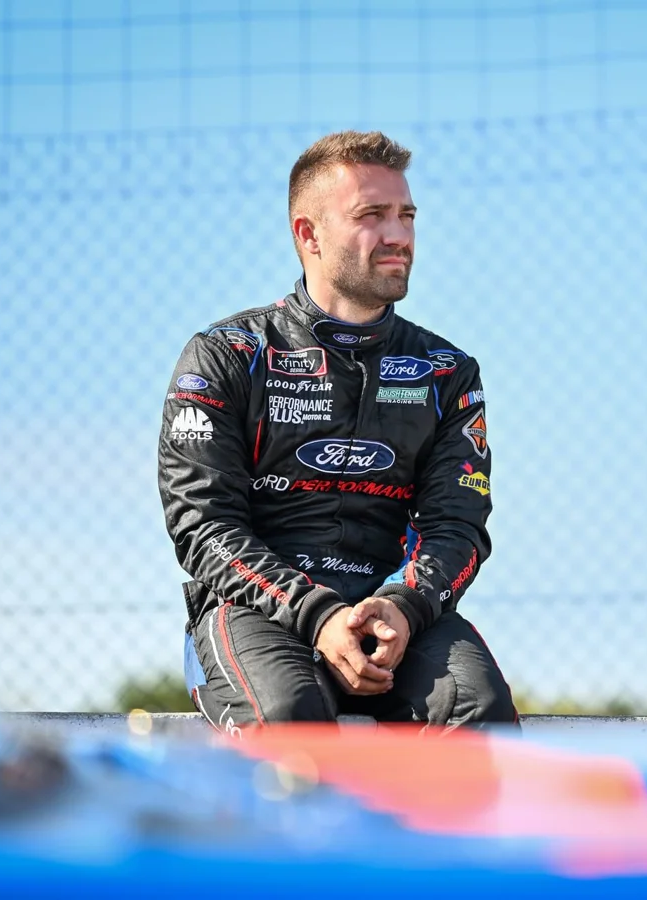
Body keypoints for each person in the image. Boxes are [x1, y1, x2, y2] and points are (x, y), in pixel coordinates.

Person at [158, 131, 517, 733]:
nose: (399, 235)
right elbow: (202, 526)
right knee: (290, 718)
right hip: (256, 610)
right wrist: (318, 615)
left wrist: (403, 606)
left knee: (476, 710)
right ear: (309, 235)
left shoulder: (448, 372)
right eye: (371, 215)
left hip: (398, 615)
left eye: (405, 215)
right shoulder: (224, 355)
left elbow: (458, 526)